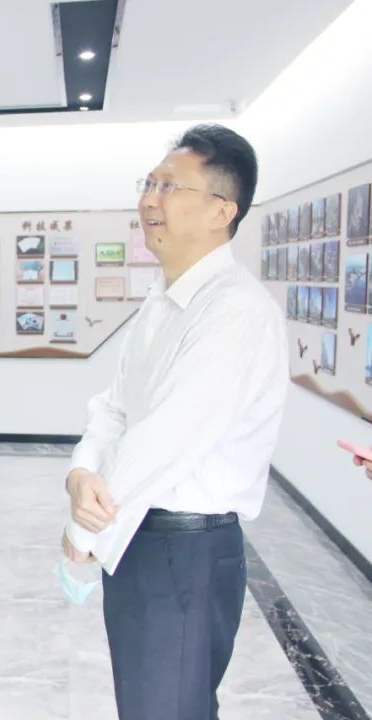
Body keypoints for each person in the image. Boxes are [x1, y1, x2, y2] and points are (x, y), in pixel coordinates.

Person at [61, 124, 288, 719]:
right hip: (141, 535)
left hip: (183, 552)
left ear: (222, 210)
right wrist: (81, 474)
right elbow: (115, 407)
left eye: (170, 186)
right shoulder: (163, 300)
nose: (150, 200)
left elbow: (165, 440)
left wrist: (83, 533)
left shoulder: (236, 311)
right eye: (149, 183)